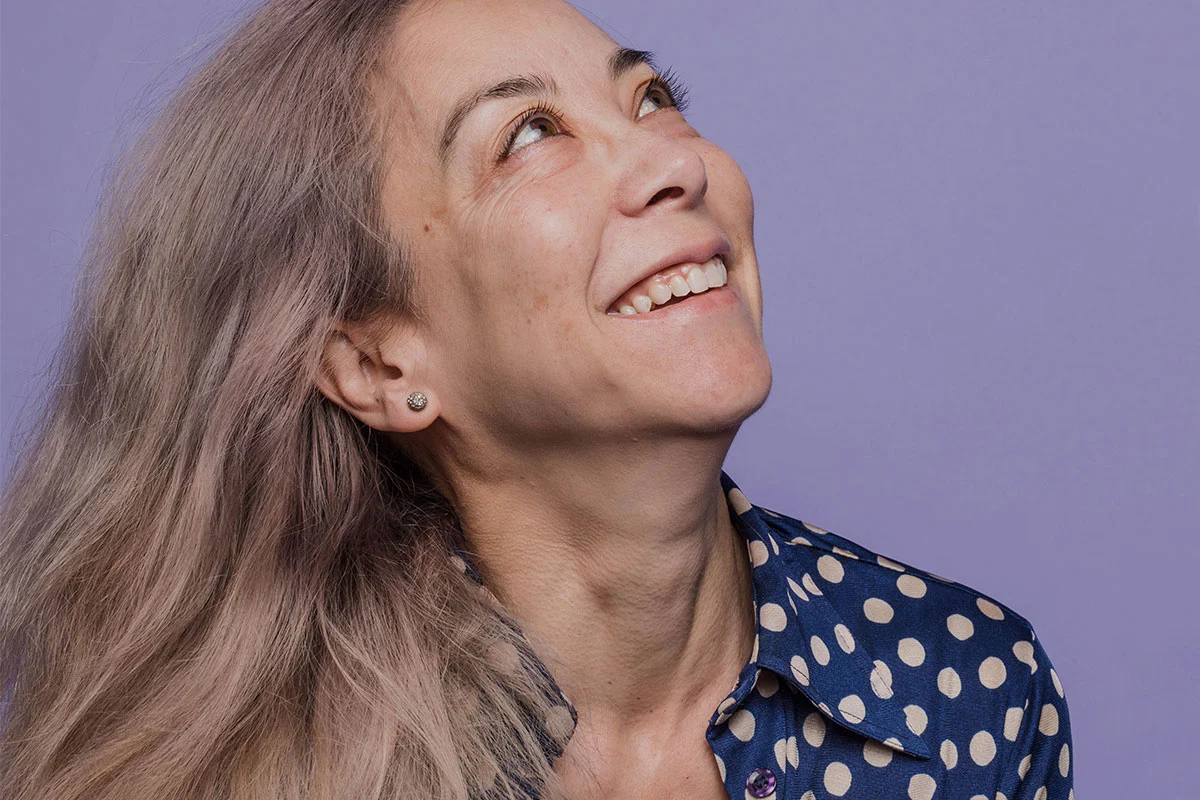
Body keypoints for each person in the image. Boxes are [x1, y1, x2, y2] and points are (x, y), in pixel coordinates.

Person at [0, 0, 1073, 798]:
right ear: (380, 365)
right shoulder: (234, 772)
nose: (669, 161)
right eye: (527, 134)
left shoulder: (967, 691)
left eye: (651, 97)